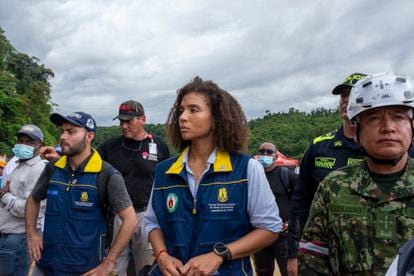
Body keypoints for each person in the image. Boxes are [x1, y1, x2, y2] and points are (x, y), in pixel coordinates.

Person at [144, 76, 282, 275]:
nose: (182, 117)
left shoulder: (247, 169)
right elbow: (152, 222)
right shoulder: (165, 171)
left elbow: (270, 228)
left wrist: (219, 255)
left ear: (217, 117)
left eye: (194, 110)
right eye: (181, 110)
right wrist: (162, 255)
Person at [298, 72, 414, 274]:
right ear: (356, 129)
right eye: (374, 119)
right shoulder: (333, 186)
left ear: (412, 125)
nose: (388, 128)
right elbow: (312, 256)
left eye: (398, 117)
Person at [25, 111, 137, 275]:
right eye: (62, 131)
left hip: (85, 269)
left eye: (71, 132)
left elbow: (131, 220)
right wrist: (32, 234)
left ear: (89, 136)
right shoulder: (53, 167)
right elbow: (33, 199)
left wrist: (109, 263)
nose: (63, 136)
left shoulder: (106, 174)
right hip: (46, 265)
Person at [287, 73, 367, 274]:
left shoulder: (395, 149)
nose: (346, 100)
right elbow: (300, 203)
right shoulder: (319, 147)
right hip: (324, 256)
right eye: (343, 95)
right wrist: (293, 254)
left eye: (354, 93)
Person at [99, 100, 170, 275]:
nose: (123, 126)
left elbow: (167, 181)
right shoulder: (109, 147)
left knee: (146, 267)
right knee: (113, 267)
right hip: (117, 217)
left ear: (143, 119)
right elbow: (90, 166)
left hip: (146, 216)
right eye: (121, 121)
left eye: (128, 121)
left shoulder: (159, 146)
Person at [0, 124, 46, 275]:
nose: (23, 145)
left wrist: (4, 196)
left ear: (40, 147)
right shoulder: (19, 165)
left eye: (29, 142)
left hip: (18, 237)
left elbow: (28, 208)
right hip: (9, 236)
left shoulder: (38, 169)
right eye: (21, 141)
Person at [252, 142, 297, 276]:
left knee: (288, 271)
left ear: (276, 156)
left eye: (269, 152)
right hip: (260, 234)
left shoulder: (287, 175)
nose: (265, 154)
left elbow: (301, 201)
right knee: (263, 272)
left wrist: (291, 222)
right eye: (262, 151)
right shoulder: (254, 176)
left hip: (283, 234)